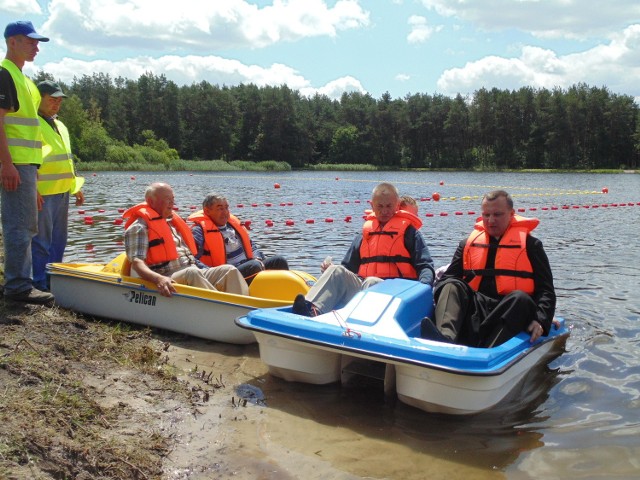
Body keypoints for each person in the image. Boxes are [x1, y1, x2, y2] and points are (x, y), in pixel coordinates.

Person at [422, 189, 556, 347]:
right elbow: (445, 280)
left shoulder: (531, 246)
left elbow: (546, 290)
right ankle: (444, 340)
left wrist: (541, 319)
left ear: (511, 213)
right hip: (475, 309)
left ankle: (489, 351)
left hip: (508, 310)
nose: (491, 220)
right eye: (486, 215)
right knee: (452, 284)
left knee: (521, 298)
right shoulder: (467, 244)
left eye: (497, 214)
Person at [292, 182, 435, 316]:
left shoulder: (410, 233)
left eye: (389, 206)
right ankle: (312, 310)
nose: (384, 211)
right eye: (380, 206)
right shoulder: (364, 234)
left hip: (396, 294)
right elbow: (347, 268)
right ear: (372, 206)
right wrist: (328, 270)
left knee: (371, 281)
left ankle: (360, 325)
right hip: (363, 289)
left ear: (397, 206)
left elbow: (425, 266)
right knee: (336, 271)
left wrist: (422, 289)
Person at [0, 21, 53, 305]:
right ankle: (18, 288)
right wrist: (6, 164)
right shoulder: (4, 74)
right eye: (30, 41)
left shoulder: (25, 80)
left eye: (37, 42)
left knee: (26, 224)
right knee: (19, 225)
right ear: (12, 42)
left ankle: (19, 281)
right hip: (15, 164)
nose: (36, 47)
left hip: (26, 165)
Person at [123, 182, 249, 298]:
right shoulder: (139, 228)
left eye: (173, 199)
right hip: (165, 275)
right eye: (167, 199)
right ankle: (221, 308)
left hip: (192, 270)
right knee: (192, 272)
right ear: (151, 201)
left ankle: (242, 308)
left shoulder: (171, 224)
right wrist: (159, 279)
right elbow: (137, 263)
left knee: (229, 270)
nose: (172, 203)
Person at [31, 80, 85, 291]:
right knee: (41, 241)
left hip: (63, 192)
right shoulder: (33, 123)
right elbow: (30, 160)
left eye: (59, 100)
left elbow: (67, 160)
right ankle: (38, 283)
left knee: (58, 241)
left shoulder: (60, 125)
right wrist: (32, 190)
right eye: (52, 99)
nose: (56, 104)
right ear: (39, 98)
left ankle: (54, 281)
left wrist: (75, 186)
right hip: (43, 193)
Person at [189, 193, 289, 284]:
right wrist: (210, 272)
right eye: (220, 208)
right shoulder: (199, 231)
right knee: (254, 266)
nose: (225, 212)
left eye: (226, 208)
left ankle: (287, 295)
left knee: (280, 261)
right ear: (207, 211)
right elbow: (192, 258)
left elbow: (251, 246)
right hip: (227, 274)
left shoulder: (233, 226)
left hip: (250, 264)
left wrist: (258, 257)